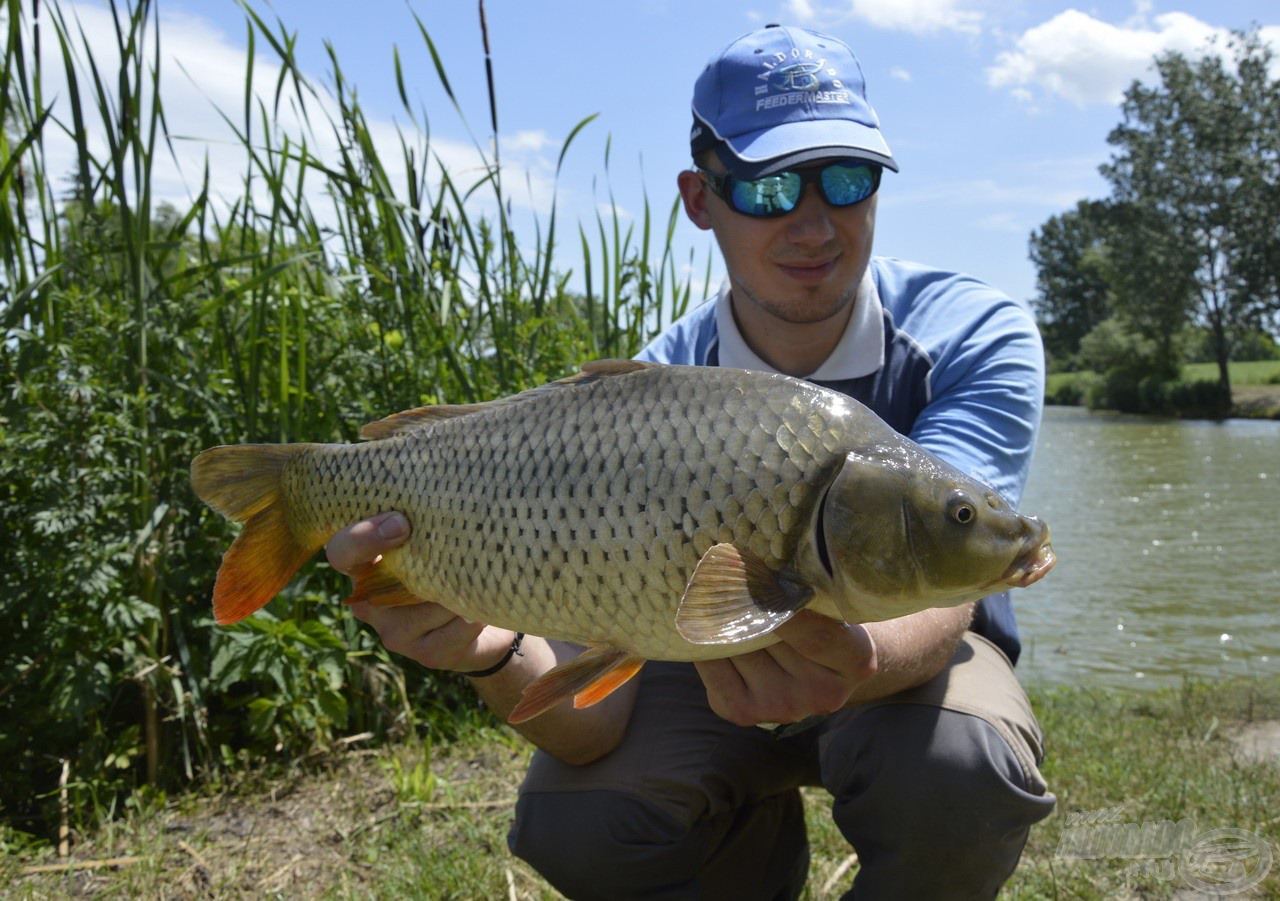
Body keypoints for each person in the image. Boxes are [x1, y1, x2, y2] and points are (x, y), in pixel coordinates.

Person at [326, 24, 1055, 899]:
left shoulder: (975, 334)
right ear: (701, 199)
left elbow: (946, 583)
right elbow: (592, 724)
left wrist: (852, 654)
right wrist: (485, 648)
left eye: (848, 178)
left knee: (959, 766)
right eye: (770, 185)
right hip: (697, 664)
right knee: (579, 816)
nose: (814, 222)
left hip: (900, 665)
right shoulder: (653, 391)